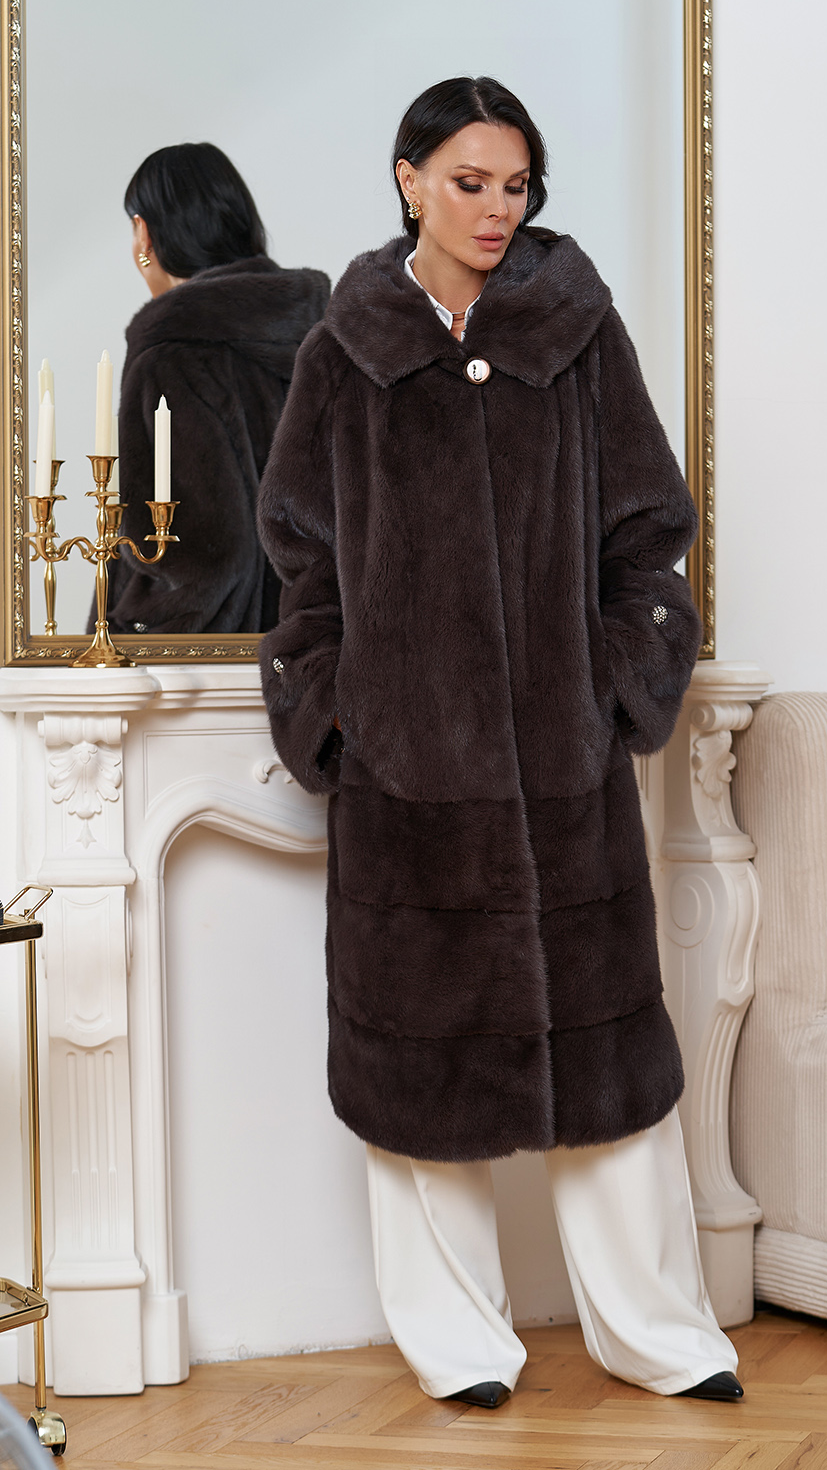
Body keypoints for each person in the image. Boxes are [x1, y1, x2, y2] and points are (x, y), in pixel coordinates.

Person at [257, 77, 743, 1409]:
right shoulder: (344, 353)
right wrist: (335, 711)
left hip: (564, 777)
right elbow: (300, 561)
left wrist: (617, 685)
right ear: (408, 177)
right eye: (469, 182)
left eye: (515, 185)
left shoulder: (577, 335)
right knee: (419, 1084)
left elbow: (648, 534)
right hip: (407, 789)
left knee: (613, 1077)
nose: (495, 209)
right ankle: (461, 1347)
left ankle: (661, 1335)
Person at [97, 142, 330, 635]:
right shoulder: (325, 337)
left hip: (203, 665)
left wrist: (128, 633)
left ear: (144, 233)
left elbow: (202, 560)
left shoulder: (172, 356)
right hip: (312, 652)